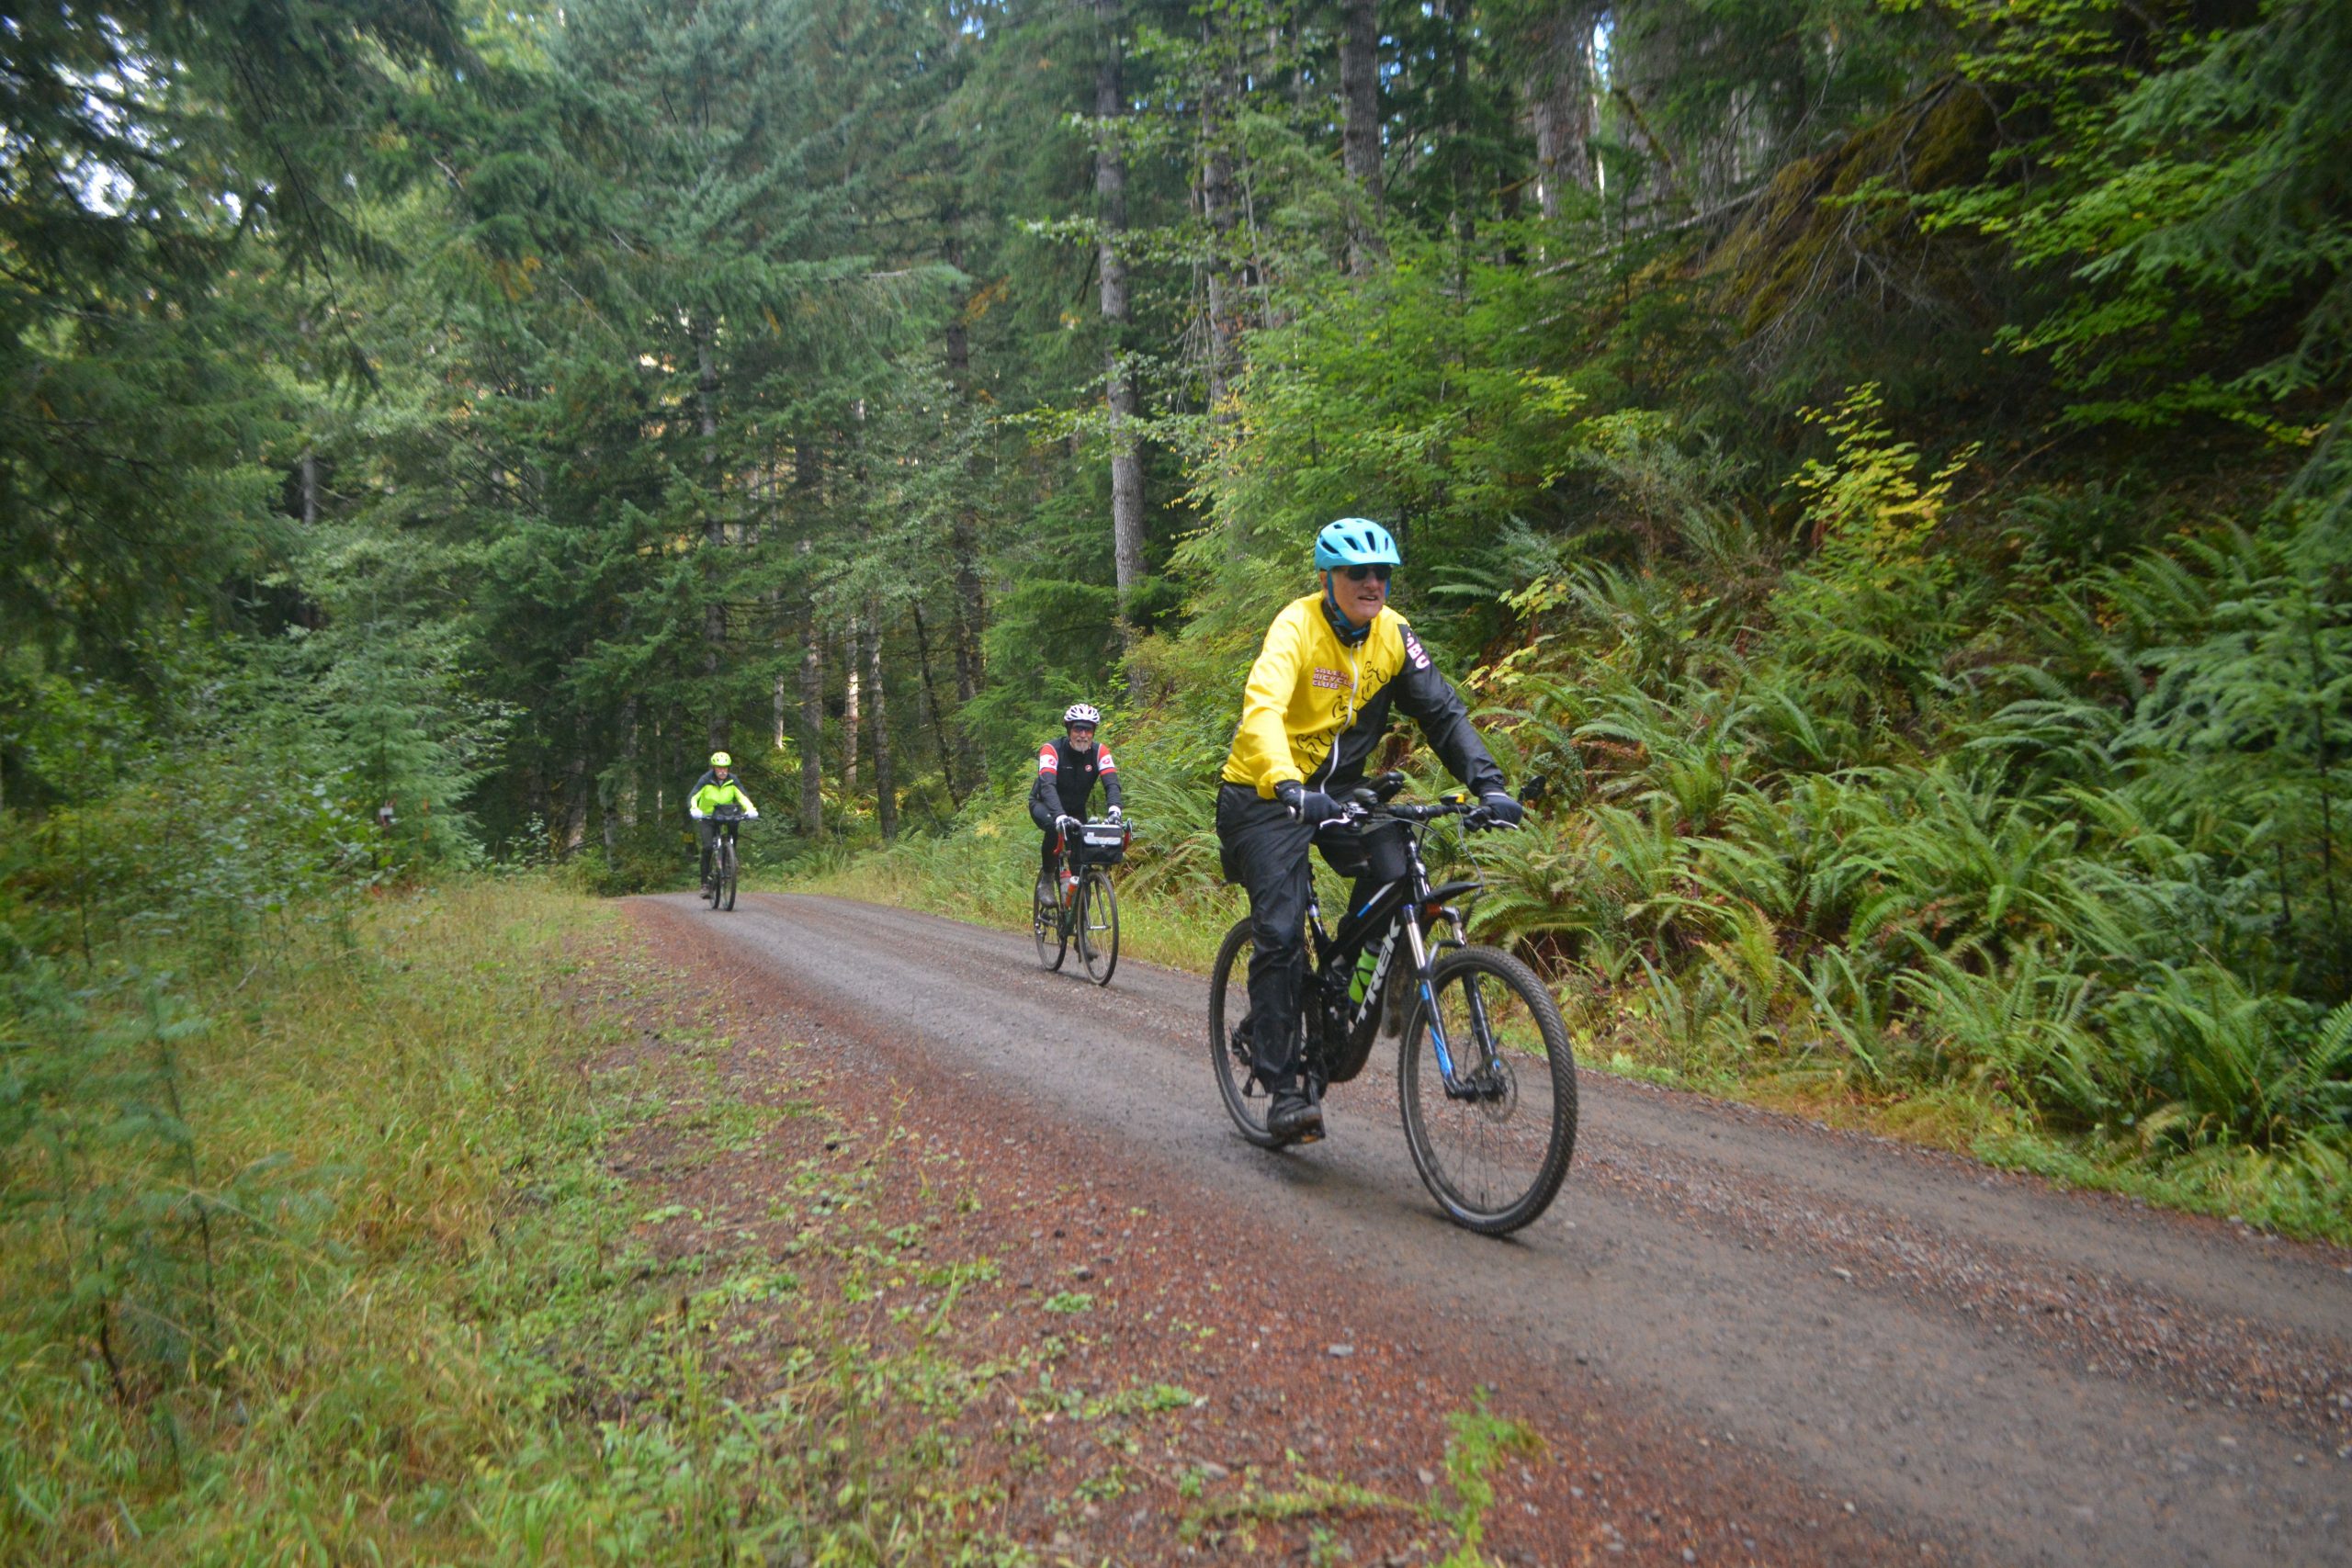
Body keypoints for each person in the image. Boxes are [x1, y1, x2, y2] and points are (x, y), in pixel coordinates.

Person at [1216, 518, 1522, 1145]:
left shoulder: (1392, 636)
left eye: (1383, 572)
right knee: (1278, 932)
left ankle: (1352, 989)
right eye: (1358, 572)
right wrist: (1287, 783)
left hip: (1336, 793)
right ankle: (1281, 1088)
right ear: (1328, 578)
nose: (1373, 583)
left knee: (1396, 867)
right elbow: (1263, 709)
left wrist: (1488, 784)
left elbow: (1441, 711)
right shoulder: (1296, 626)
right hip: (1264, 794)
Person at [1028, 703, 1124, 905]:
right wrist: (1059, 816)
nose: (1083, 734)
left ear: (1093, 732)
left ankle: (1080, 924)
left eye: (1088, 729)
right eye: (1077, 728)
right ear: (1069, 730)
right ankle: (1046, 878)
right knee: (1054, 830)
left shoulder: (1100, 752)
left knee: (1082, 862)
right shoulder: (1051, 750)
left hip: (1076, 809)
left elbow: (1112, 784)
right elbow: (1047, 786)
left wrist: (1115, 810)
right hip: (1044, 804)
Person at [687, 750, 759, 886]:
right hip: (707, 817)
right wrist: (694, 809)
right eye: (719, 768)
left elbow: (742, 796)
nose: (722, 771)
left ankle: (730, 856)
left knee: (734, 825)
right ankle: (705, 883)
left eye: (725, 768)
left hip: (726, 814)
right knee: (708, 847)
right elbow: (693, 796)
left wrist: (750, 809)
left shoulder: (733, 780)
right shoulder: (706, 780)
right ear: (714, 768)